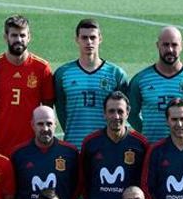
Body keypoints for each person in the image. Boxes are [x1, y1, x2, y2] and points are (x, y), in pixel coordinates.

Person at [80, 91, 149, 199]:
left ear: (128, 113)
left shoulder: (140, 144)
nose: (116, 116)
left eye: (120, 111)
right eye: (111, 111)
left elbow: (145, 182)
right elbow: (83, 179)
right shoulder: (91, 143)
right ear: (104, 113)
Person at [0, 14, 54, 154]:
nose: (18, 39)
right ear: (6, 37)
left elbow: (47, 106)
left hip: (31, 144)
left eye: (22, 35)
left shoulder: (42, 68)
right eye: (14, 35)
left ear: (29, 37)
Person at [54, 19, 128, 147]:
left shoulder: (116, 74)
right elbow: (61, 110)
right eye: (84, 37)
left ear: (100, 39)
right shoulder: (62, 74)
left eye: (93, 37)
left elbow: (123, 113)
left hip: (106, 147)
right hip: (74, 146)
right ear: (77, 39)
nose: (89, 42)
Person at [128, 26, 183, 141]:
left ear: (181, 46)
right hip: (151, 149)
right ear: (157, 45)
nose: (170, 49)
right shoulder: (140, 80)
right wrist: (146, 132)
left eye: (174, 45)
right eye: (165, 45)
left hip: (181, 151)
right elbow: (131, 114)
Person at [10, 105, 81, 199]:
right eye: (40, 124)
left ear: (55, 124)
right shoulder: (18, 154)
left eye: (49, 123)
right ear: (32, 125)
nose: (45, 128)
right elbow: (12, 192)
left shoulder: (70, 153)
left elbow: (77, 189)